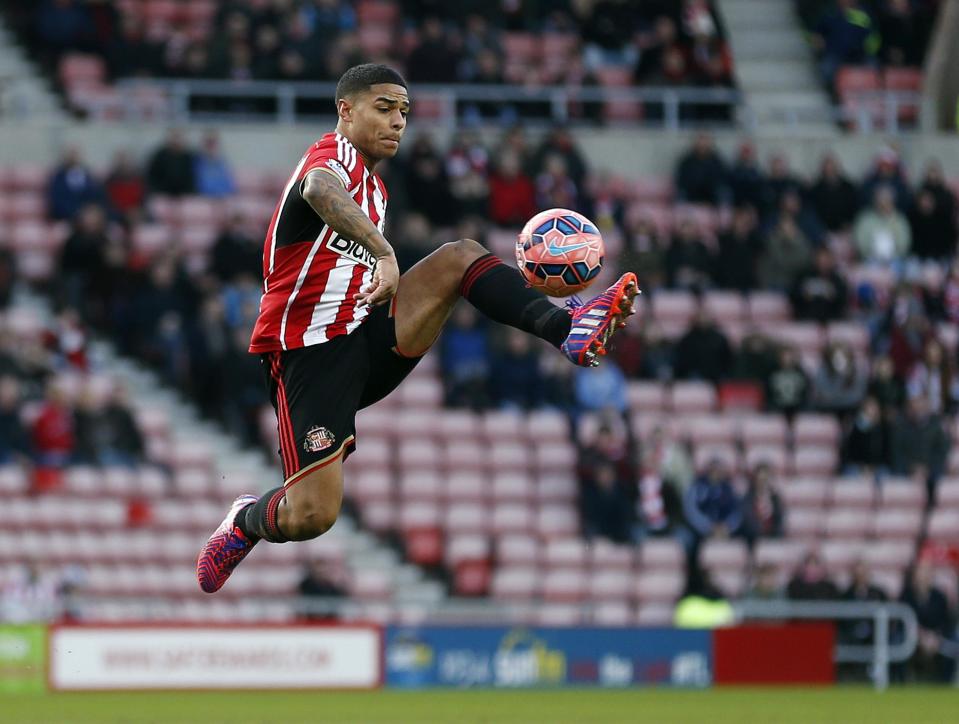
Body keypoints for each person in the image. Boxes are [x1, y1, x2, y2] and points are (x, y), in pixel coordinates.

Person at [197, 65, 640, 593]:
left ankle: (567, 328)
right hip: (308, 354)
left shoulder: (377, 191)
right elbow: (317, 188)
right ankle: (246, 519)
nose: (398, 122)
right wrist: (385, 252)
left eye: (404, 111)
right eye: (384, 107)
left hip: (365, 334)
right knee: (313, 516)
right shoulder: (329, 158)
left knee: (459, 257)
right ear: (346, 110)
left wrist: (384, 269)